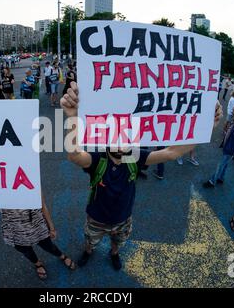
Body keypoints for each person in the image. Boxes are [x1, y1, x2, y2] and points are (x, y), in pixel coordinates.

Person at [60, 81, 222, 270]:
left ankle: (114, 253)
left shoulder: (134, 158)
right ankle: (88, 252)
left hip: (123, 219)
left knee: (118, 243)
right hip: (96, 219)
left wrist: (206, 128)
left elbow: (172, 153)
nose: (121, 145)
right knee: (90, 242)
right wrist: (72, 118)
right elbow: (74, 155)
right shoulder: (98, 160)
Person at [0, 195, 76, 280]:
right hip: (16, 233)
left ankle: (61, 256)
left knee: (49, 246)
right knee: (28, 253)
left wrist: (51, 227)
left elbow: (42, 205)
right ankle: (38, 264)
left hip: (37, 227)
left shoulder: (30, 176)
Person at [203, 104, 234, 188]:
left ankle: (212, 181)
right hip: (229, 147)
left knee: (221, 164)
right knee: (225, 163)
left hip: (230, 148)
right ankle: (221, 177)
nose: (233, 109)